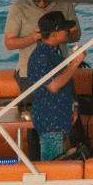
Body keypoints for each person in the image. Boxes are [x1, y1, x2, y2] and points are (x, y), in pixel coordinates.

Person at [21, 10, 86, 160]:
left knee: (59, 163)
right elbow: (53, 86)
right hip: (51, 123)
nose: (67, 32)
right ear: (55, 32)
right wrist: (75, 62)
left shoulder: (53, 53)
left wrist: (72, 108)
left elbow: (64, 83)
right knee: (53, 168)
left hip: (59, 120)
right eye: (64, 29)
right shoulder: (40, 57)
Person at [4, 0, 80, 79]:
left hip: (60, 67)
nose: (42, 3)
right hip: (30, 73)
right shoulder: (18, 7)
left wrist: (60, 38)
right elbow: (8, 44)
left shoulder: (65, 3)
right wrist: (33, 38)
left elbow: (76, 33)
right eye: (37, 1)